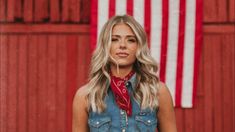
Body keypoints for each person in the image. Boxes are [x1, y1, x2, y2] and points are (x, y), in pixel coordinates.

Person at [72, 15, 177, 132]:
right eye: (115, 39)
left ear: (139, 47)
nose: (122, 45)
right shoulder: (85, 96)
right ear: (105, 46)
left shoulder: (157, 91)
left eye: (131, 40)